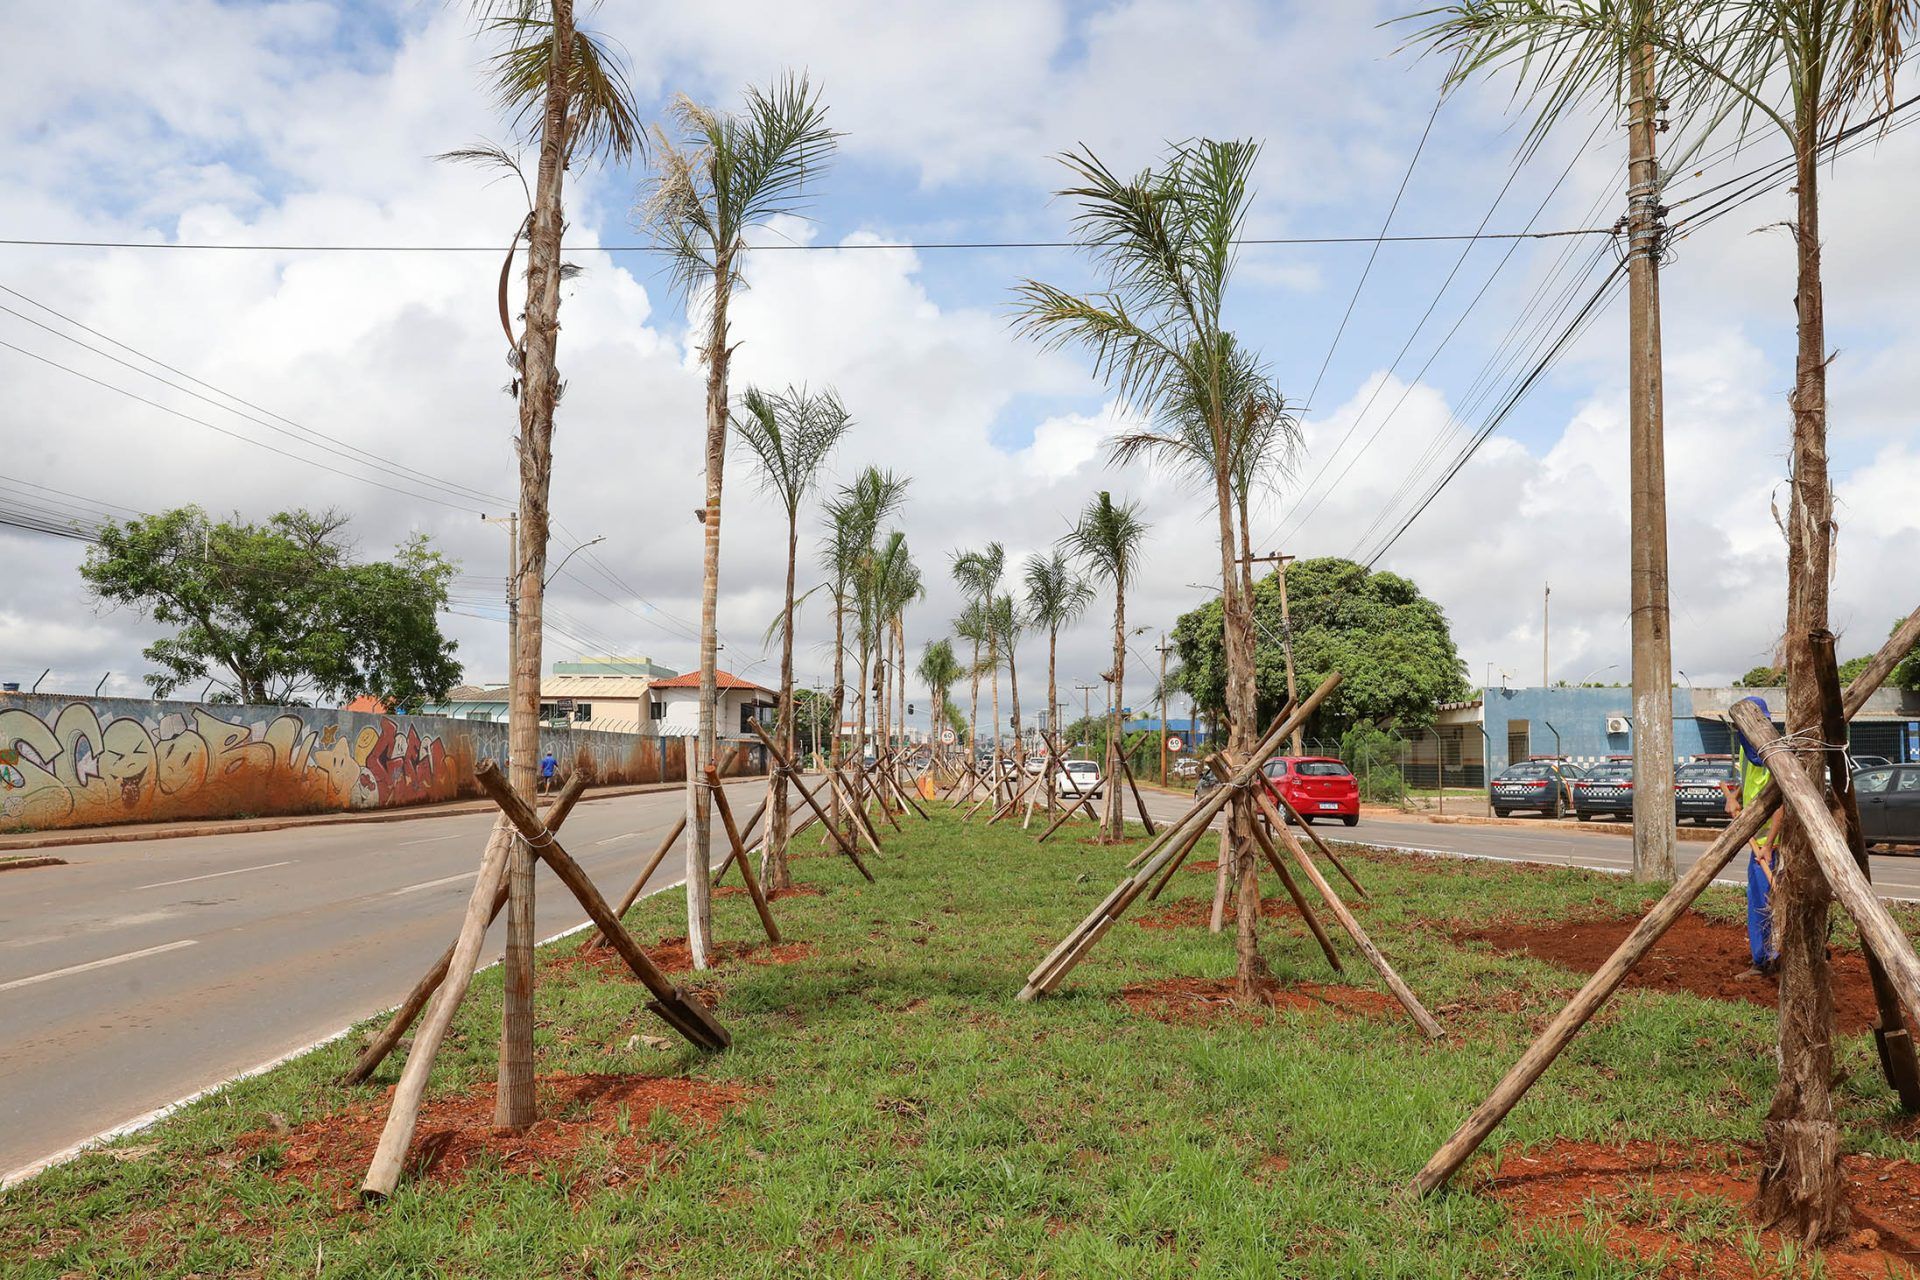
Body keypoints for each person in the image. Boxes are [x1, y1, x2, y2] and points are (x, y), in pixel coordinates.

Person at [1726, 695, 1777, 977]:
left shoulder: (1773, 752)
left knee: (1767, 903)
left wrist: (1769, 844)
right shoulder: (1749, 751)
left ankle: (1770, 960)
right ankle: (1765, 959)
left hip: (1772, 845)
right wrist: (1734, 797)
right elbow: (1748, 782)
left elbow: (1781, 801)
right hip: (1757, 839)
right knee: (1758, 899)